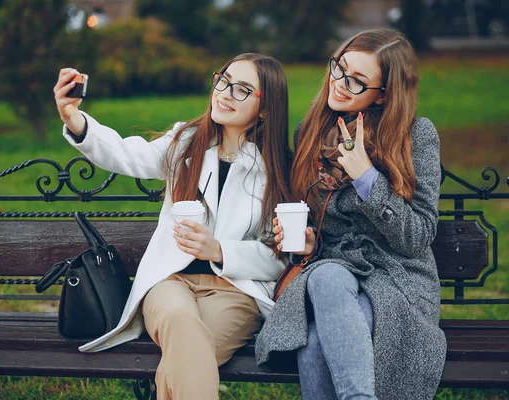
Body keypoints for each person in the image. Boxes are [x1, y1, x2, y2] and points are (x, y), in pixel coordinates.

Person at [53, 53, 292, 400]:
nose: (224, 93)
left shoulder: (277, 169)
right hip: (169, 282)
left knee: (187, 356)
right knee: (183, 326)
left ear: (266, 107)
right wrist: (75, 120)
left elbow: (280, 256)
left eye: (242, 90)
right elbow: (127, 154)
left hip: (235, 292)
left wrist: (220, 251)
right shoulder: (187, 141)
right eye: (223, 81)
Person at [255, 29, 447, 400]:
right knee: (324, 278)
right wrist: (310, 241)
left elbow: (418, 237)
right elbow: (318, 225)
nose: (340, 84)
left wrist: (367, 178)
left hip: (397, 282)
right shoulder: (309, 133)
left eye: (357, 81)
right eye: (339, 69)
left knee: (314, 341)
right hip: (334, 277)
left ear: (383, 95)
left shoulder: (414, 135)